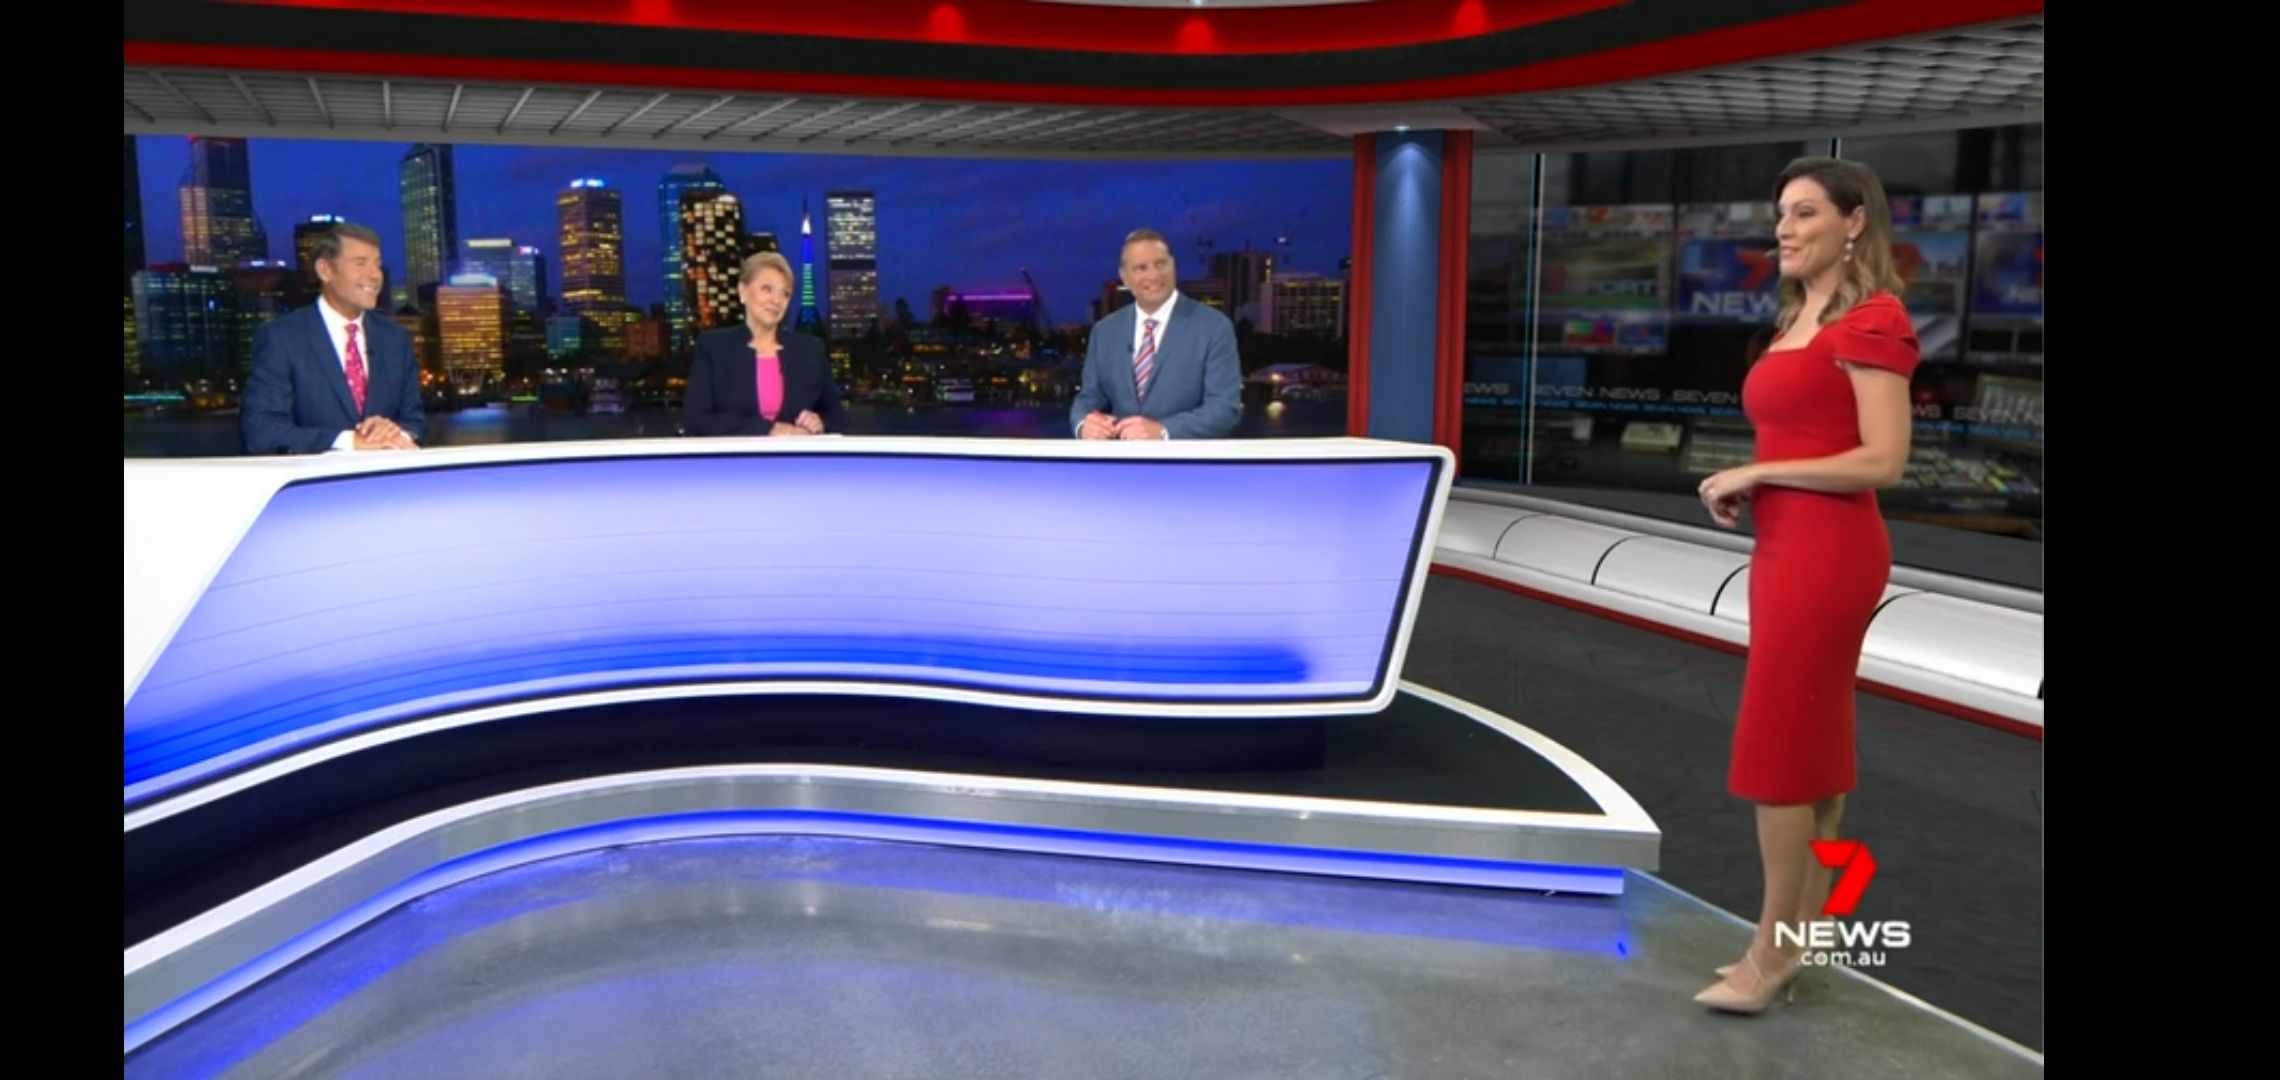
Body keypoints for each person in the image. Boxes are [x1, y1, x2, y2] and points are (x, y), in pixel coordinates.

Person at [1693, 157, 1920, 1014]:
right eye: (1781, 214)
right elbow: (1809, 440)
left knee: (1780, 753)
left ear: (1855, 221)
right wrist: (1759, 484)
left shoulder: (1874, 319)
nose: (1784, 230)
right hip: (1786, 547)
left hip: (1829, 555)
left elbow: (1882, 460)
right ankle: (1802, 934)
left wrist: (1760, 470)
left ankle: (1771, 952)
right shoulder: (1799, 318)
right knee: (1813, 750)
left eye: (1806, 213)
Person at [242, 223, 424, 454]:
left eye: (377, 264)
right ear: (325, 270)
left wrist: (395, 434)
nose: (375, 275)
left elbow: (414, 421)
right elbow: (261, 430)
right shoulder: (282, 337)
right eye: (361, 263)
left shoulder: (395, 339)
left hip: (387, 475)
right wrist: (350, 441)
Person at [1071, 228, 1241, 440]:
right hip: (1121, 459)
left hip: (1185, 459)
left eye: (1161, 264)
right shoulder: (1104, 332)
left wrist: (1163, 430)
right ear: (1124, 277)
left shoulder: (1214, 327)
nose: (1153, 275)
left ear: (1173, 266)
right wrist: (1084, 425)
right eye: (1141, 268)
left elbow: (1224, 409)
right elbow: (1088, 399)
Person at [684, 251, 846, 437]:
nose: (776, 300)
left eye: (785, 293)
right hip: (735, 455)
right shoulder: (714, 347)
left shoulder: (811, 350)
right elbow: (696, 419)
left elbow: (838, 418)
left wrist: (820, 422)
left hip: (795, 455)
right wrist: (769, 429)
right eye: (767, 289)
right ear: (743, 291)